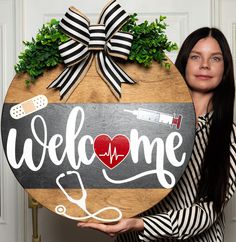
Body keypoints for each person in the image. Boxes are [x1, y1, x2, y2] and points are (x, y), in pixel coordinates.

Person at [77, 27, 236, 241]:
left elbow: (207, 212)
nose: (204, 65)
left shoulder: (231, 137)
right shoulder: (145, 117)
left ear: (225, 69)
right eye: (195, 56)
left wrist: (139, 224)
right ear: (184, 63)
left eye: (215, 58)